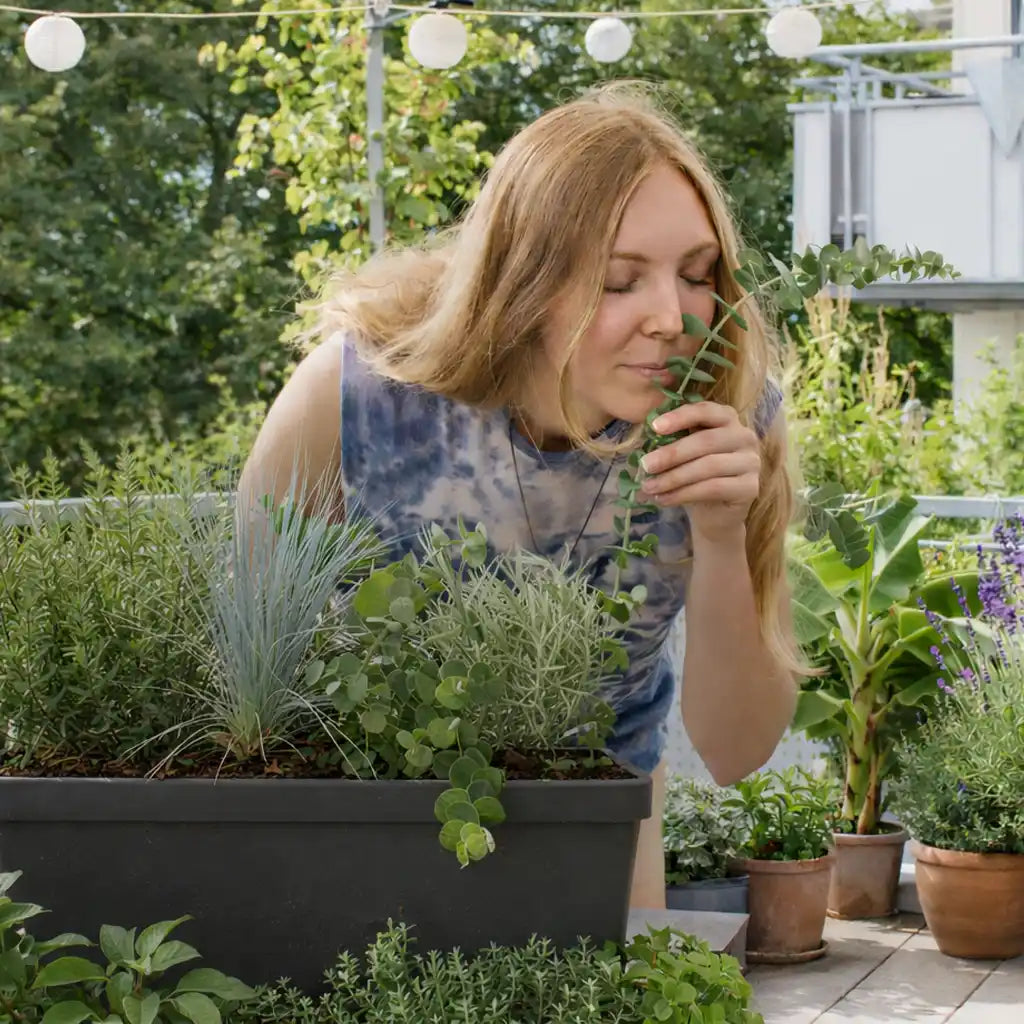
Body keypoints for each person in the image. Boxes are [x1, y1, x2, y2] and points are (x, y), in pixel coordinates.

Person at [238, 82, 800, 910]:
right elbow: (240, 677)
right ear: (527, 286)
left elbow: (735, 749)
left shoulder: (729, 424)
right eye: (619, 280)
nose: (673, 318)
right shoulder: (357, 398)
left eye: (696, 272)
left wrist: (720, 538)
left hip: (601, 851)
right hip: (372, 849)